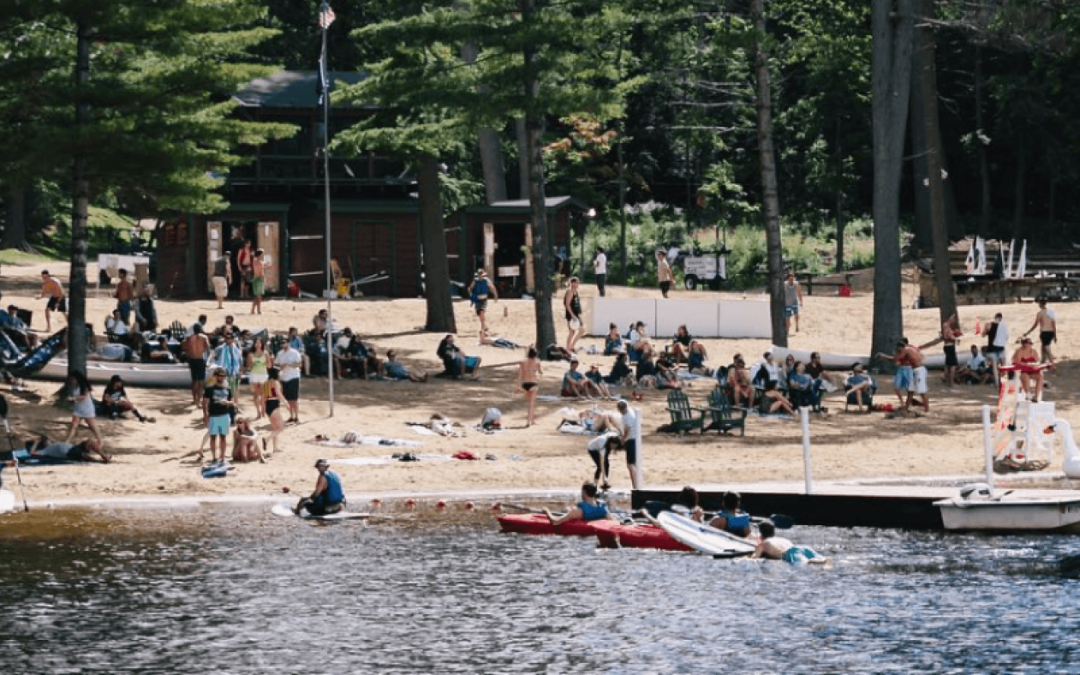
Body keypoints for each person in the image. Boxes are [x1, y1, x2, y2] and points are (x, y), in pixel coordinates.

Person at [202, 367, 237, 463]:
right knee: (213, 437)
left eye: (223, 376)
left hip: (224, 415)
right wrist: (205, 416)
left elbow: (232, 401)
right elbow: (204, 403)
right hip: (213, 415)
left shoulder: (227, 389)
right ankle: (214, 457)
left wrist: (228, 403)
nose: (222, 378)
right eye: (220, 376)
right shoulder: (209, 389)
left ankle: (222, 457)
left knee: (223, 437)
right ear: (215, 376)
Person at [752, 520, 827, 565]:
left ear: (761, 533)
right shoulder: (782, 539)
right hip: (801, 547)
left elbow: (754, 559)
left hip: (791, 554)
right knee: (823, 560)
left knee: (807, 564)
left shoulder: (764, 544)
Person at [544, 482, 617, 526]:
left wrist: (547, 512)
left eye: (582, 491)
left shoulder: (578, 512)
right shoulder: (603, 507)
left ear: (584, 492)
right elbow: (612, 521)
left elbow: (555, 522)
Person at [64, 371, 102, 445]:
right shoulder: (76, 387)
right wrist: (70, 401)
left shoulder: (84, 387)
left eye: (73, 379)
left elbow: (83, 397)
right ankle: (67, 441)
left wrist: (73, 399)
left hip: (87, 409)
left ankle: (100, 440)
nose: (72, 381)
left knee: (92, 426)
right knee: (73, 425)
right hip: (78, 409)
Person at [275, 336, 304, 423]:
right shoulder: (280, 354)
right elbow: (276, 365)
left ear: (288, 343)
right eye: (282, 343)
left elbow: (299, 364)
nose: (283, 344)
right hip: (284, 378)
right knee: (288, 399)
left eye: (284, 342)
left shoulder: (294, 353)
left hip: (293, 377)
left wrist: (290, 365)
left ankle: (297, 417)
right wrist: (281, 367)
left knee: (294, 399)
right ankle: (291, 416)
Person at [181, 324, 211, 406]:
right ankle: (199, 400)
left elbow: (184, 347)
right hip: (201, 359)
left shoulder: (189, 338)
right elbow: (207, 348)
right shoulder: (204, 338)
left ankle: (194, 399)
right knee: (201, 381)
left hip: (192, 359)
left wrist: (189, 354)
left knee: (194, 380)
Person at [1023, 298, 1057, 371]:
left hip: (1044, 332)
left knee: (1047, 348)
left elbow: (1035, 324)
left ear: (1041, 304)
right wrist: (1055, 335)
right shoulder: (1051, 312)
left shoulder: (1040, 313)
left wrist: (1027, 332)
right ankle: (1043, 361)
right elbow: (1054, 324)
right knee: (1043, 346)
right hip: (1051, 332)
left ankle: (1052, 364)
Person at [515, 346, 543, 427]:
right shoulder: (537, 362)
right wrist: (538, 378)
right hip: (533, 383)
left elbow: (519, 375)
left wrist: (517, 386)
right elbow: (541, 372)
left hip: (525, 383)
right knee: (532, 404)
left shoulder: (523, 362)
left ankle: (532, 420)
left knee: (529, 403)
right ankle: (528, 421)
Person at [28, 436, 110, 463]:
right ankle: (100, 460)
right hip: (68, 452)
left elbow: (49, 440)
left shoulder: (52, 444)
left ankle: (103, 456)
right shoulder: (44, 451)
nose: (48, 440)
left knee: (90, 441)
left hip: (73, 447)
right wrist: (36, 442)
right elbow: (32, 453)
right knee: (83, 455)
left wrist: (50, 440)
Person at [616, 399, 640, 490]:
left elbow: (627, 429)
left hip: (631, 440)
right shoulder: (630, 412)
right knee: (633, 463)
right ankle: (636, 483)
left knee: (631, 464)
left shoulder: (627, 416)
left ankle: (635, 484)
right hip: (634, 439)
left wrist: (622, 438)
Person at [245, 337, 272, 418]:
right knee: (256, 394)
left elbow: (269, 365)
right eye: (256, 343)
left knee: (263, 394)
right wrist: (251, 366)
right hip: (254, 374)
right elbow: (248, 366)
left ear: (262, 344)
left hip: (263, 374)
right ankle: (258, 412)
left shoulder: (265, 353)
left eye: (259, 343)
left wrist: (267, 362)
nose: (258, 344)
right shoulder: (250, 354)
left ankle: (263, 409)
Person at [1012, 337, 1045, 402]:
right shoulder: (1019, 351)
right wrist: (1027, 364)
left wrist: (1034, 364)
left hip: (1032, 371)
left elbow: (1038, 361)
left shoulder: (1033, 351)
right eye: (1026, 343)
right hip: (1023, 371)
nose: (1027, 345)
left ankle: (1036, 396)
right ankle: (1028, 393)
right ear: (1023, 344)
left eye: (1029, 343)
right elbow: (1017, 362)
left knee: (1041, 376)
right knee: (1025, 376)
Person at [468, 268, 498, 336]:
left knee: (482, 313)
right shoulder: (475, 281)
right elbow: (470, 288)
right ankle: (484, 326)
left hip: (484, 299)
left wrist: (495, 295)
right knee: (479, 314)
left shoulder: (486, 280)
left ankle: (483, 329)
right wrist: (471, 297)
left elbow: (492, 287)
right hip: (477, 299)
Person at [263, 367, 285, 456]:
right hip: (274, 403)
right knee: (280, 427)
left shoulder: (266, 383)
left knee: (275, 428)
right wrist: (286, 402)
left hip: (268, 404)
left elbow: (264, 396)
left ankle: (275, 447)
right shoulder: (275, 382)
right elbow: (278, 393)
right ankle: (267, 439)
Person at [213, 333, 243, 397]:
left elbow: (240, 360)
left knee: (235, 389)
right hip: (224, 372)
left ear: (232, 339)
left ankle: (235, 405)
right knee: (226, 390)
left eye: (228, 338)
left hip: (235, 371)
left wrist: (240, 371)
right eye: (226, 338)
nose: (227, 340)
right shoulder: (220, 348)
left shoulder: (236, 349)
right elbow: (214, 358)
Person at [985, 312, 1009, 383]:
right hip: (1001, 348)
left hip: (992, 348)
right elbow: (1007, 337)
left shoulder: (990, 325)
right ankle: (1004, 381)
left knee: (995, 367)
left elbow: (983, 334)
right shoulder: (1004, 326)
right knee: (1003, 365)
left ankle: (997, 383)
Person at [563, 276, 584, 353]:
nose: (577, 284)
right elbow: (567, 304)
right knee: (572, 332)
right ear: (572, 283)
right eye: (575, 283)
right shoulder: (570, 292)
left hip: (576, 314)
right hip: (571, 315)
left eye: (578, 283)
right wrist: (572, 315)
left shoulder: (575, 292)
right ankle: (568, 348)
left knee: (580, 331)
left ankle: (571, 346)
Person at [941, 314, 962, 387]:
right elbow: (949, 336)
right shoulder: (947, 326)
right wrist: (956, 338)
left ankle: (947, 380)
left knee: (948, 364)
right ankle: (951, 382)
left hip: (947, 346)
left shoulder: (946, 326)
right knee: (953, 365)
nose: (954, 321)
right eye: (953, 319)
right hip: (950, 346)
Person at [250, 247, 269, 315]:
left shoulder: (255, 261)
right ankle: (258, 310)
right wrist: (264, 279)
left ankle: (253, 310)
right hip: (259, 279)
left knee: (256, 295)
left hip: (255, 278)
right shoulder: (260, 262)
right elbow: (261, 272)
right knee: (259, 296)